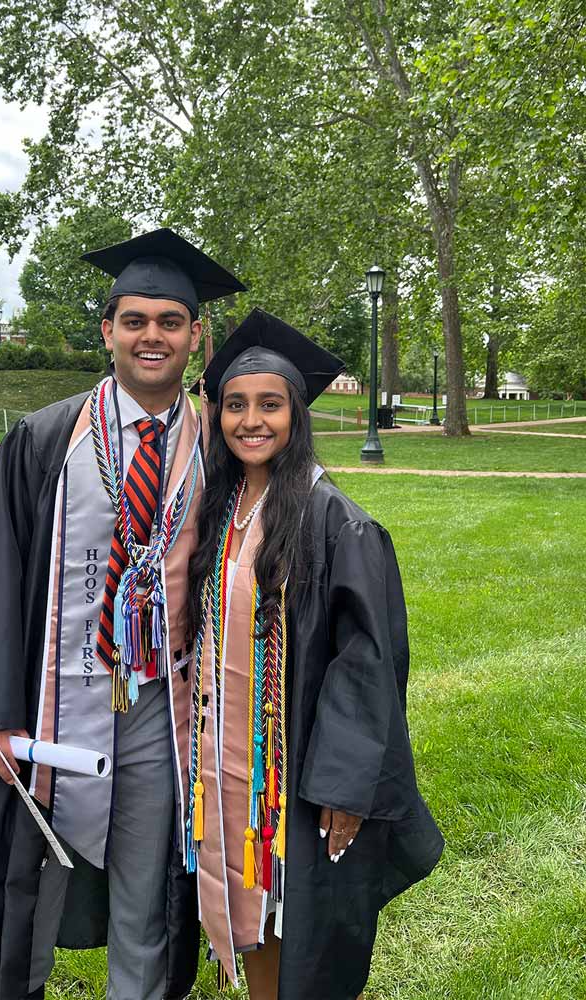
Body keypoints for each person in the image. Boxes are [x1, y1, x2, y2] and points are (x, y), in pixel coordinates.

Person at [0, 228, 246, 1000]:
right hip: (47, 704)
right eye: (135, 320)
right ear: (108, 331)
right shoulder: (45, 439)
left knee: (147, 883)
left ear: (196, 336)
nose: (152, 336)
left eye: (171, 322)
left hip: (161, 707)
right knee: (20, 884)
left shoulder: (220, 442)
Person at [184, 308, 444, 999]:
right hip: (229, 759)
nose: (250, 420)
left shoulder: (337, 521)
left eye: (270, 404)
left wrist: (342, 787)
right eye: (235, 405)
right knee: (254, 911)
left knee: (295, 917)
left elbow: (368, 662)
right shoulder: (223, 504)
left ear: (297, 415)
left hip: (297, 773)